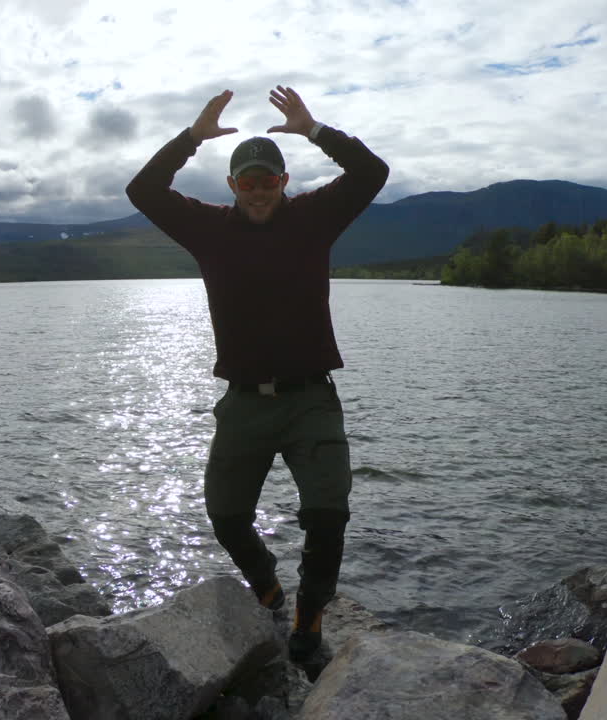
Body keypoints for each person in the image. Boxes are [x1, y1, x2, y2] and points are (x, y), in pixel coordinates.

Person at [125, 85, 388, 660]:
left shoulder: (313, 218)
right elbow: (142, 190)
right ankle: (267, 587)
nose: (259, 190)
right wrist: (191, 139)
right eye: (248, 182)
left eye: (268, 180)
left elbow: (372, 172)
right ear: (232, 186)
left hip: (309, 400)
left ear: (283, 181)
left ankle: (309, 622)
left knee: (328, 512)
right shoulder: (209, 228)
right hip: (244, 403)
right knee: (225, 515)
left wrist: (316, 130)